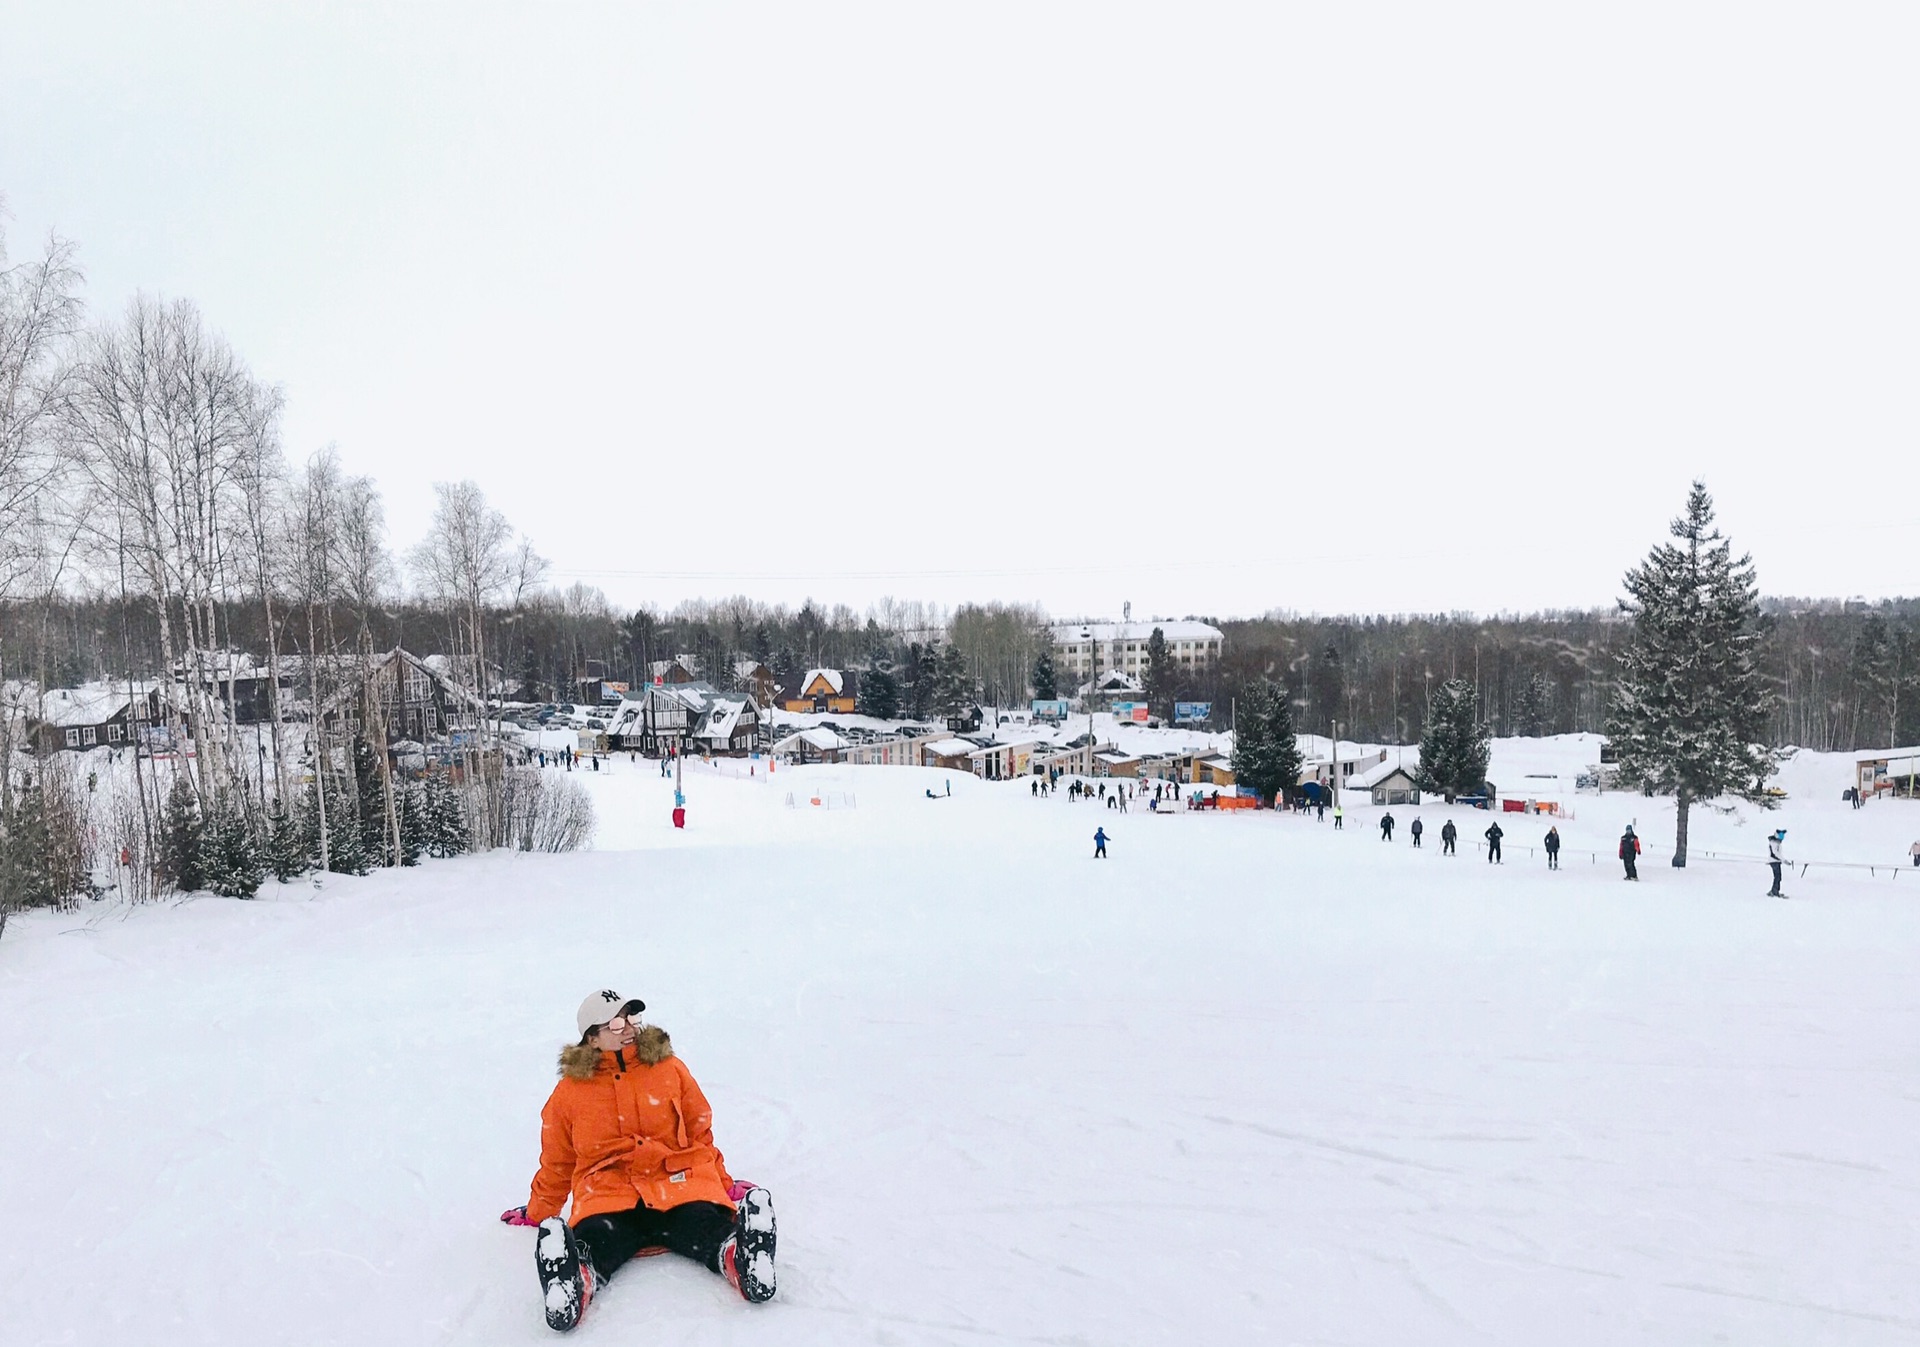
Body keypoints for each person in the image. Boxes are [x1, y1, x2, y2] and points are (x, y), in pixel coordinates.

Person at [504, 992, 776, 1331]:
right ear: (592, 1037)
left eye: (632, 1018)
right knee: (596, 1239)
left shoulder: (670, 1069)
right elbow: (557, 1161)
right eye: (616, 1022)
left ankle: (744, 1261)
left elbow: (699, 1130)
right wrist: (538, 1212)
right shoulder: (570, 1092)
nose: (628, 1028)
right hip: (610, 1195)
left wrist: (722, 1181)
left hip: (676, 1185)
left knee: (705, 1224)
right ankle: (573, 1285)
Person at [1767, 828, 1787, 898]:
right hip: (1774, 861)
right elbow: (1775, 853)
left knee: (1778, 877)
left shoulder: (1776, 842)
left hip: (1776, 861)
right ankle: (1774, 892)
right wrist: (1784, 860)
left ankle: (1775, 891)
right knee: (1777, 877)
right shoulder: (1774, 843)